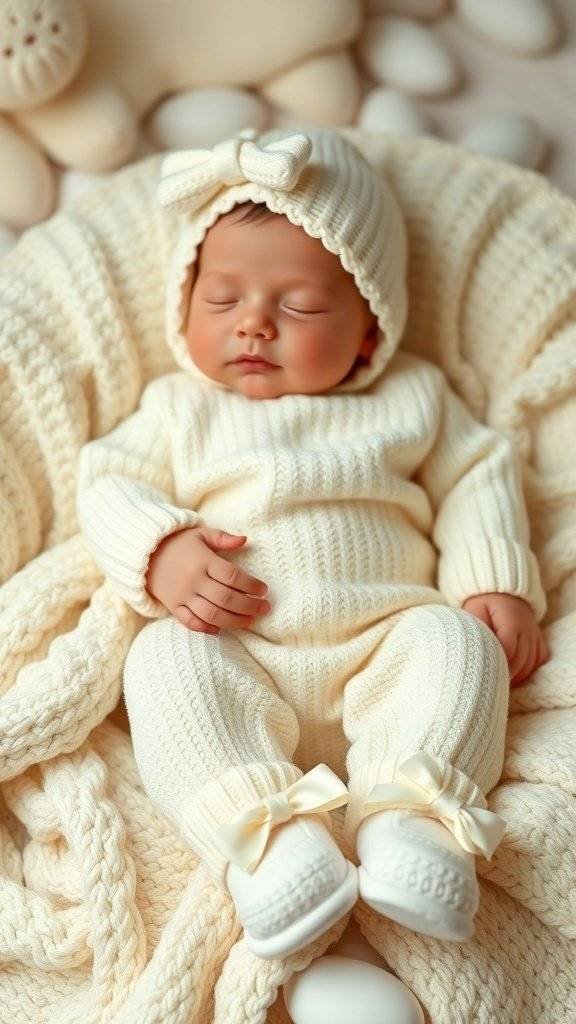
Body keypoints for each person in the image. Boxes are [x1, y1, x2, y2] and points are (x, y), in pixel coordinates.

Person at [76, 126, 549, 965]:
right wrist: (163, 548)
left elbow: (481, 473)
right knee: (162, 666)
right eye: (221, 300)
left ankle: (414, 822)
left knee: (458, 646)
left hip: (385, 641)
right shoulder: (178, 407)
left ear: (371, 327)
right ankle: (271, 844)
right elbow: (107, 480)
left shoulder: (416, 396)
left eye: (297, 306)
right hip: (237, 648)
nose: (253, 325)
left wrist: (493, 582)